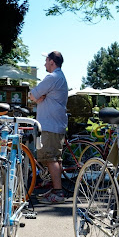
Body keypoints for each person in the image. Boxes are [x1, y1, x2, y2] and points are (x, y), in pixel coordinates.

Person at [29, 50, 68, 203]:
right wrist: (38, 98)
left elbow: (33, 95)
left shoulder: (52, 77)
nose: (44, 63)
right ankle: (55, 189)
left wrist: (37, 98)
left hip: (49, 124)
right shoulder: (60, 77)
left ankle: (58, 193)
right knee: (54, 158)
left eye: (46, 61)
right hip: (55, 124)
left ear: (52, 61)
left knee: (51, 158)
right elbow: (36, 96)